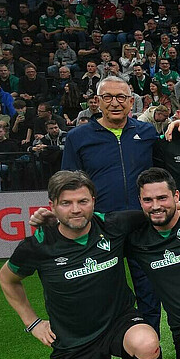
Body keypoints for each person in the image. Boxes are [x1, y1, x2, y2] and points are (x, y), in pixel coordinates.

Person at [0, 171, 162, 359]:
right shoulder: (38, 245)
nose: (76, 209)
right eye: (66, 203)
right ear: (52, 205)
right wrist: (32, 322)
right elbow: (7, 279)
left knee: (147, 342)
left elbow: (158, 211)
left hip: (118, 321)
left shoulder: (113, 225)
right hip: (74, 339)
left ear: (93, 201)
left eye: (82, 201)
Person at [62, 76, 162, 334]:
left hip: (142, 225)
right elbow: (68, 185)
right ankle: (110, 348)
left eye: (121, 97)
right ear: (97, 101)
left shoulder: (147, 133)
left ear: (131, 101)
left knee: (150, 293)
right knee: (104, 294)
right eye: (108, 97)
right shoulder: (78, 137)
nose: (114, 103)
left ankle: (149, 349)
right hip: (101, 228)